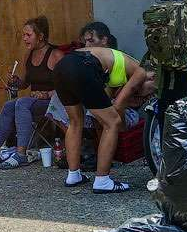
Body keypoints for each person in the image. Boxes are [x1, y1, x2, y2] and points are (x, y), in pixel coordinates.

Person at [52, 46, 150, 193]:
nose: (148, 96)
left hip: (63, 67)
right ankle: (102, 180)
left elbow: (104, 99)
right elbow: (118, 107)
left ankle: (73, 175)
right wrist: (121, 124)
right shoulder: (141, 71)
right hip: (82, 65)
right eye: (151, 91)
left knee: (75, 122)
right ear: (151, 77)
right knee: (112, 123)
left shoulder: (117, 71)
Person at [0, 16, 64, 169]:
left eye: (28, 35)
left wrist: (47, 94)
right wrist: (15, 81)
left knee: (21, 103)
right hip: (35, 103)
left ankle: (21, 154)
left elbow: (67, 86)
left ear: (40, 36)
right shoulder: (29, 55)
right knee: (9, 105)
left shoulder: (56, 55)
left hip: (54, 103)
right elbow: (25, 84)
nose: (24, 38)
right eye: (23, 35)